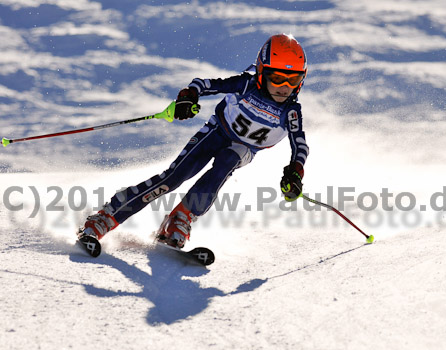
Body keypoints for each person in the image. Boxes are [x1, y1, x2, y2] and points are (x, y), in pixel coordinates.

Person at [78, 33, 309, 249]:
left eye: (293, 80)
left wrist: (295, 172)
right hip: (217, 131)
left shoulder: (290, 111)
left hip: (244, 148)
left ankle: (181, 217)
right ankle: (107, 216)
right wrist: (188, 97)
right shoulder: (246, 85)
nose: (284, 88)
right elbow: (204, 84)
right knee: (175, 177)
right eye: (277, 78)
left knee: (228, 161)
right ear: (261, 72)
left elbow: (300, 146)